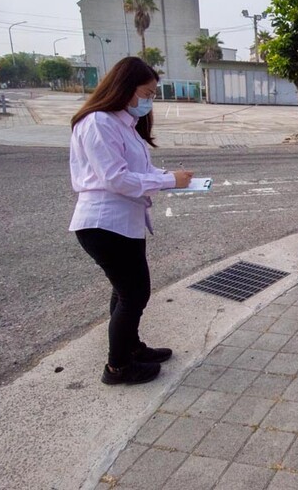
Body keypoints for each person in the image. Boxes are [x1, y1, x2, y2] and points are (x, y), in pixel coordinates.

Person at [68, 57, 193, 385]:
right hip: (104, 223)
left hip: (123, 222)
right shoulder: (98, 123)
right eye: (147, 92)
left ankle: (130, 348)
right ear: (125, 86)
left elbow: (138, 171)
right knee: (134, 293)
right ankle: (118, 367)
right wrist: (169, 182)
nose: (149, 100)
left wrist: (173, 177)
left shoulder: (121, 123)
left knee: (127, 291)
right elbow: (116, 179)